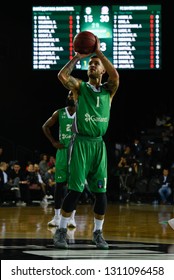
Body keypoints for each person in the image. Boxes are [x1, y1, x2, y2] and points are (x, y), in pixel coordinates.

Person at [53, 35, 119, 249]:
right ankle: (61, 231)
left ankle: (98, 233)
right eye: (89, 64)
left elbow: (115, 75)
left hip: (98, 145)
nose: (91, 65)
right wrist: (77, 57)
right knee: (75, 191)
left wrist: (98, 52)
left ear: (102, 70)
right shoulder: (80, 88)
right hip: (80, 144)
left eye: (95, 64)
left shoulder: (109, 91)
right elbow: (62, 75)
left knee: (101, 193)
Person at [42, 91, 76, 227]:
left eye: (72, 94)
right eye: (68, 94)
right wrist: (53, 142)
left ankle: (72, 218)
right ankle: (56, 217)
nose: (70, 96)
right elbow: (45, 126)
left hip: (76, 152)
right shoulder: (59, 113)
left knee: (75, 186)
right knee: (59, 185)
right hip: (62, 151)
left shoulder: (82, 113)